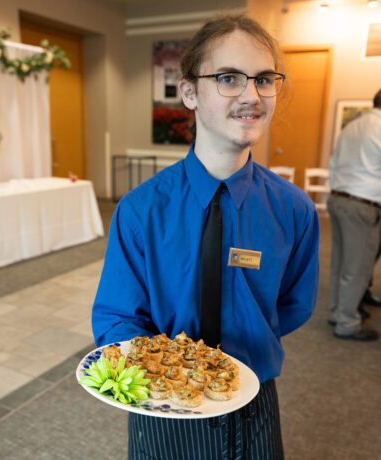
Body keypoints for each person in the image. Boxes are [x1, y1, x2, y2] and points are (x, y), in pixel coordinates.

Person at [92, 14, 319, 460]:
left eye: (264, 79)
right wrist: (175, 370)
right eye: (229, 78)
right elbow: (118, 318)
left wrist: (244, 343)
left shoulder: (294, 210)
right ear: (190, 93)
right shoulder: (140, 211)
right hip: (164, 408)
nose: (251, 95)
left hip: (255, 403)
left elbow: (293, 306)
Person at [327, 89, 381, 341]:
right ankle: (347, 323)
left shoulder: (353, 125)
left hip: (338, 197)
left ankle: (337, 312)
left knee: (340, 262)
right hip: (363, 202)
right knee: (357, 267)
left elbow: (334, 162)